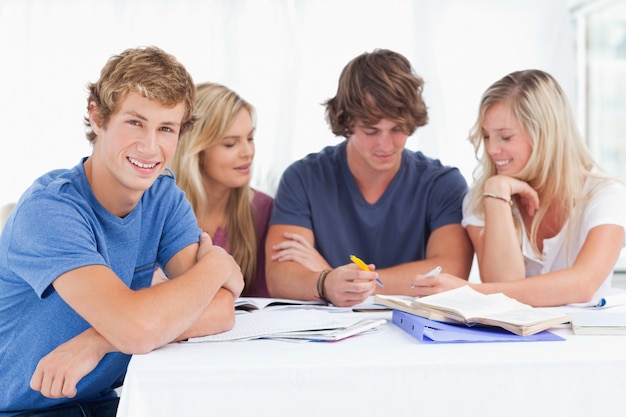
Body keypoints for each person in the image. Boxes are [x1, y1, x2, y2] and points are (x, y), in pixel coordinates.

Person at [0, 46, 244, 416]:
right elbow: (137, 328)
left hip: (104, 403)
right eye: (135, 122)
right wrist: (217, 266)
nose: (150, 146)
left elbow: (221, 308)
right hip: (23, 410)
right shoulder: (49, 211)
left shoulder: (162, 196)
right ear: (97, 117)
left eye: (165, 129)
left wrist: (97, 341)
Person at [266, 48, 473, 307]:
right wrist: (327, 283)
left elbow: (450, 272)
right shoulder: (303, 178)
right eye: (371, 131)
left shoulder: (442, 183)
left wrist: (332, 277)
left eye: (397, 129)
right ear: (346, 122)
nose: (385, 145)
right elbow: (280, 277)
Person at [410, 69, 626, 307]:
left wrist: (470, 291)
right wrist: (497, 193)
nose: (492, 149)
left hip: (585, 342)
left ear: (545, 135)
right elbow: (503, 286)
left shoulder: (605, 195)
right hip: (516, 343)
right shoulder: (483, 197)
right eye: (486, 136)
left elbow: (582, 285)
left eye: (505, 137)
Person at [169, 82, 273, 297]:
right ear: (197, 150)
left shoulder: (262, 208)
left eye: (250, 138)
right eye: (230, 144)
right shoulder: (157, 208)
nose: (248, 152)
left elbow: (263, 301)